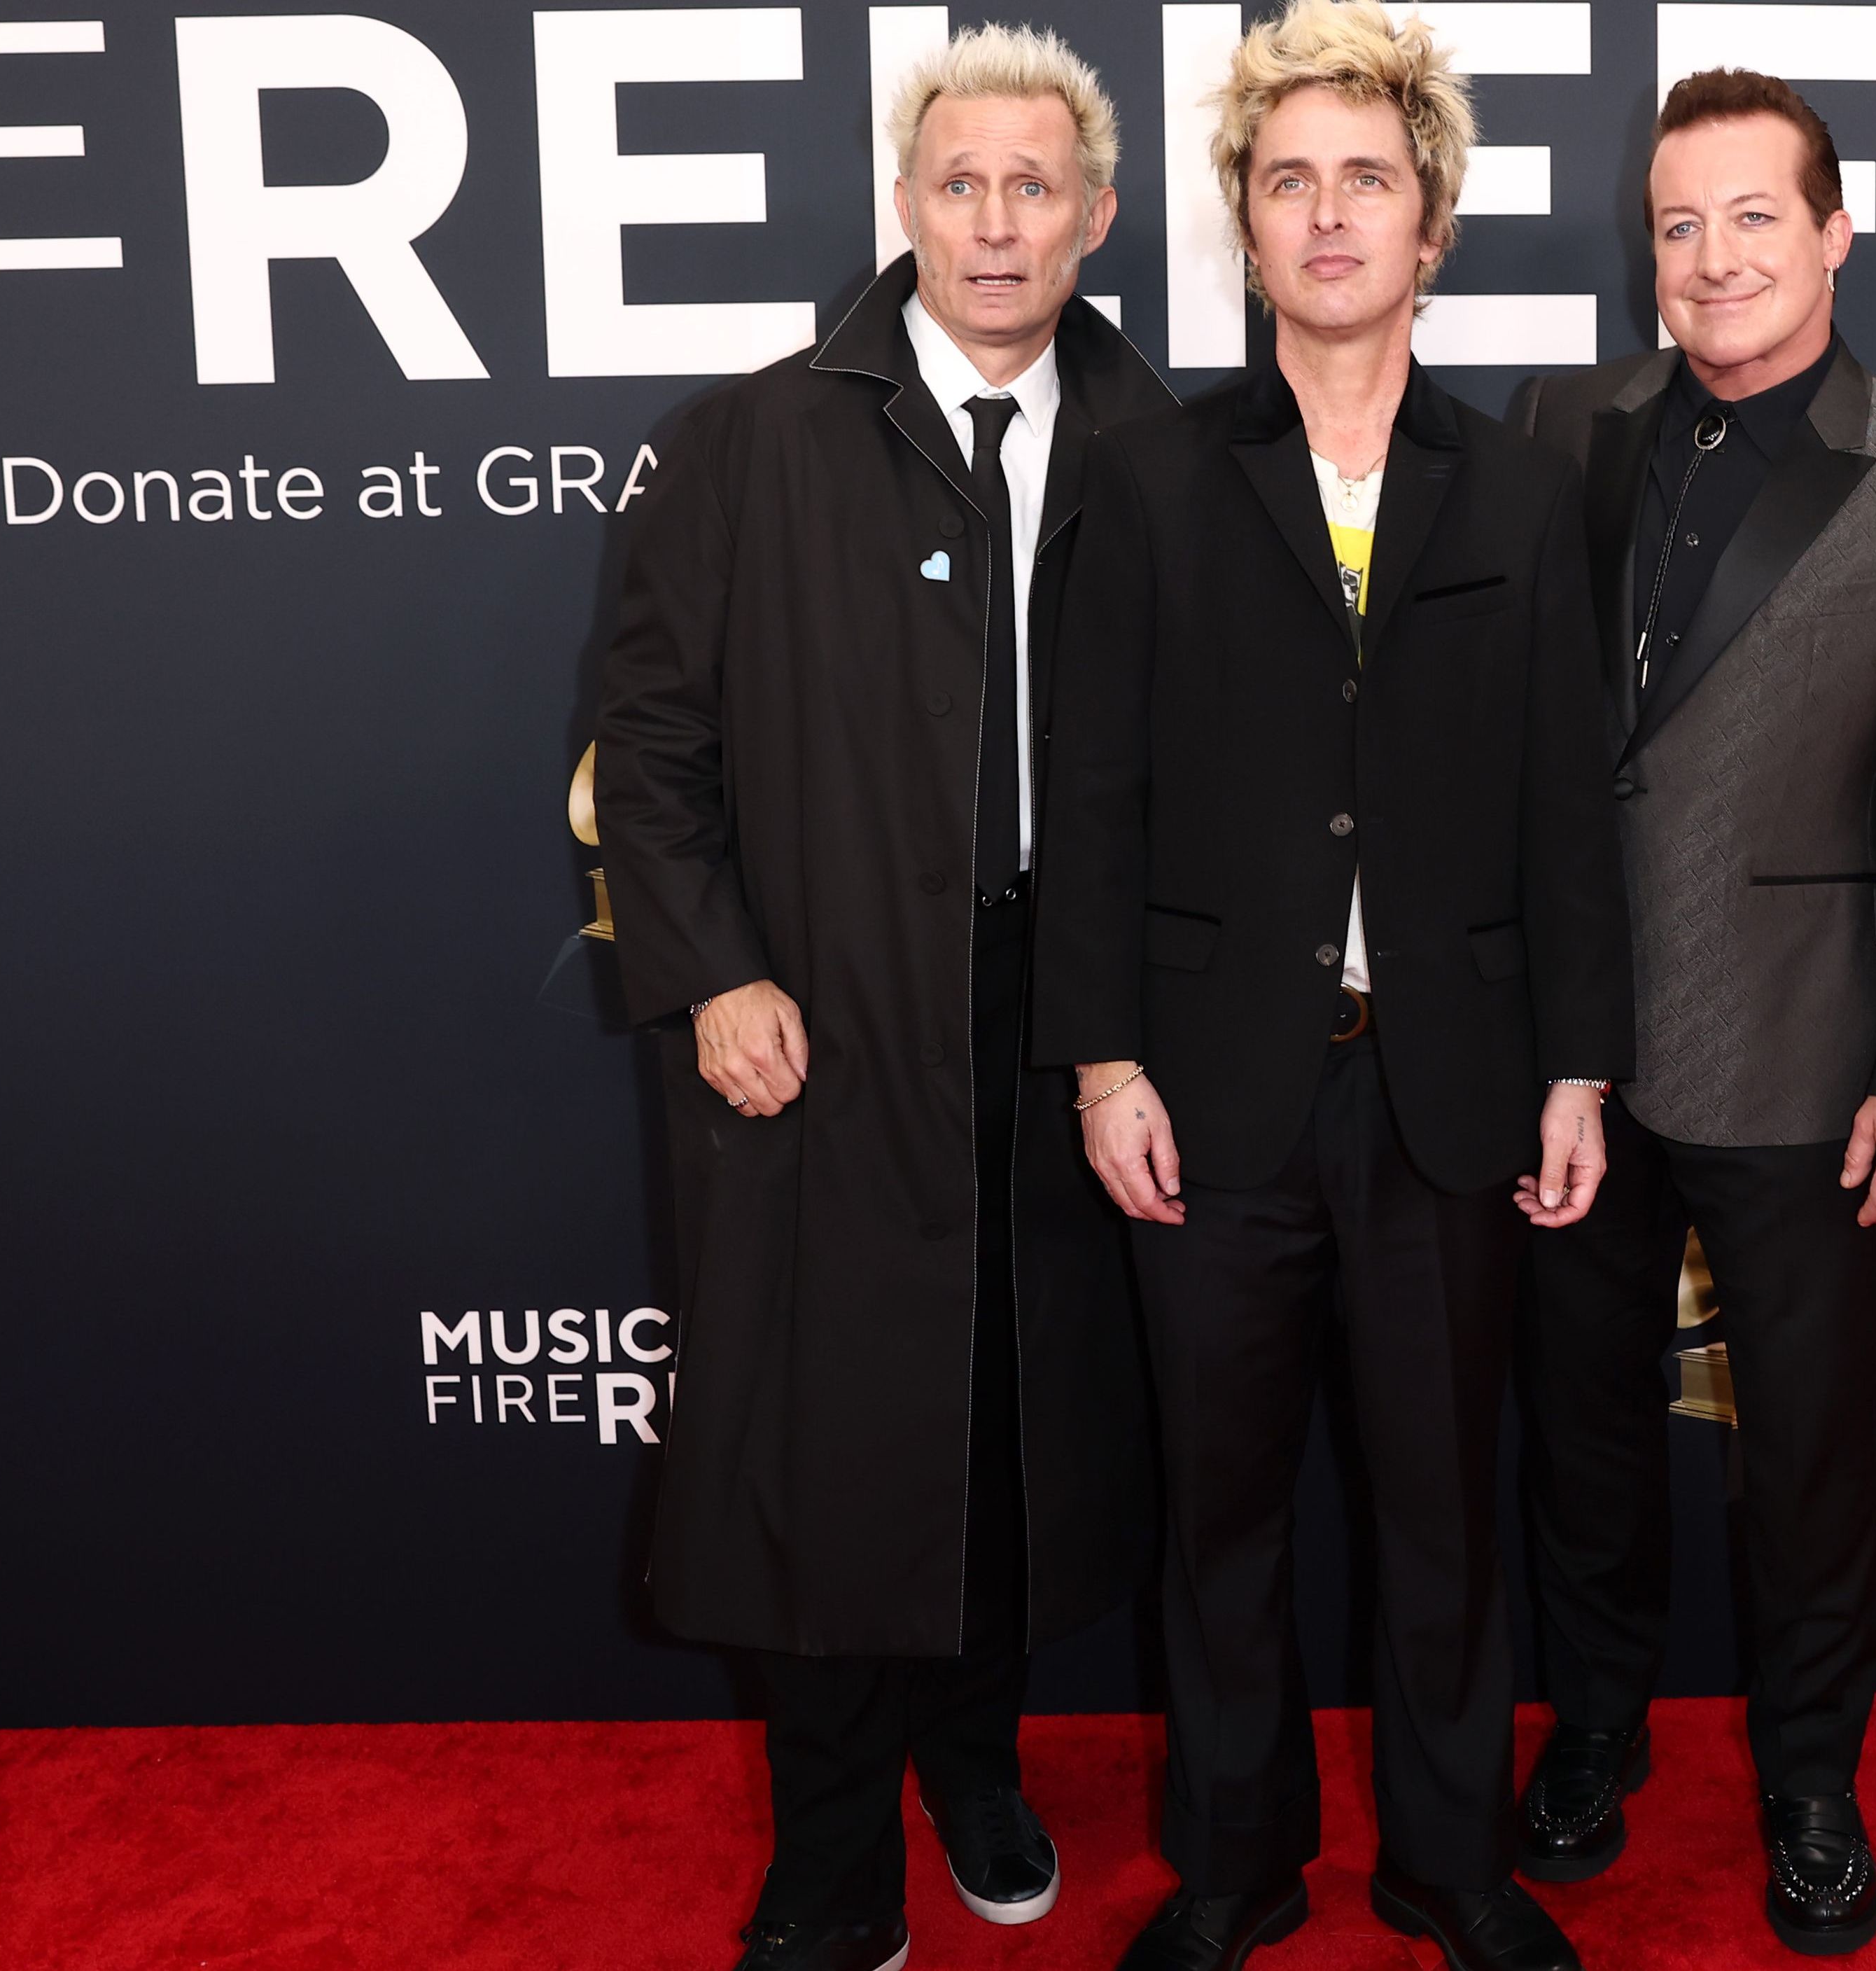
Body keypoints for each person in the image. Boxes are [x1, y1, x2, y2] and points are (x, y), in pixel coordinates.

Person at [1030, 7, 1632, 1970]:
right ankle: (1235, 1865)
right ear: (1244, 223)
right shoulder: (1146, 475)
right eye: (1288, 179)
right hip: (1209, 1084)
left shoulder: (1530, 495)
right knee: (1222, 1518)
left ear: (1432, 221)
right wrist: (1104, 1056)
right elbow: (1091, 789)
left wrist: (1579, 1074)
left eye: (1367, 175)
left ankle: (1451, 1866)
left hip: (1451, 1085)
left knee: (1445, 1512)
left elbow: (1567, 806)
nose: (1328, 211)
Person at [592, 29, 1171, 1971]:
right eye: (959, 182)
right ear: (904, 206)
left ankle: (978, 1762)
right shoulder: (752, 441)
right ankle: (833, 1854)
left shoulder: (1163, 450)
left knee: (1016, 1432)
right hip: (822, 1016)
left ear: (1095, 215)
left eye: (1035, 187)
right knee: (835, 1455)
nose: (996, 222)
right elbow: (648, 745)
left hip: (1068, 1021)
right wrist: (716, 970)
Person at [1502, 67, 1876, 1958]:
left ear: (1832, 232)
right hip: (1574, 1052)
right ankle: (1593, 1735)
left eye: (1751, 218)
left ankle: (1811, 1783)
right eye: (1676, 224)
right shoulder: (1567, 421)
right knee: (1581, 1436)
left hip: (1806, 1056)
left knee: (1803, 1457)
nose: (1712, 259)